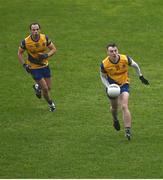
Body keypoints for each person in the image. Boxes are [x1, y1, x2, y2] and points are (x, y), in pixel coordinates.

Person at [100, 43, 149, 140]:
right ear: (107, 52)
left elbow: (135, 65)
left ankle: (127, 130)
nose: (114, 53)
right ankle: (115, 119)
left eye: (115, 50)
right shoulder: (104, 64)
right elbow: (102, 76)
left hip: (124, 84)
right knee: (114, 107)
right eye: (111, 51)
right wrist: (108, 86)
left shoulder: (125, 59)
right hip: (112, 87)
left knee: (124, 105)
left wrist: (140, 76)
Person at [18, 23, 57, 112]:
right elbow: (19, 53)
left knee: (49, 87)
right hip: (34, 67)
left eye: (37, 29)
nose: (35, 31)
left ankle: (37, 87)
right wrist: (24, 65)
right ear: (30, 31)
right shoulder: (26, 42)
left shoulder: (44, 38)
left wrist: (46, 55)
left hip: (45, 65)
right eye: (33, 30)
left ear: (40, 30)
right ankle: (51, 104)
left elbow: (54, 49)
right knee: (45, 89)